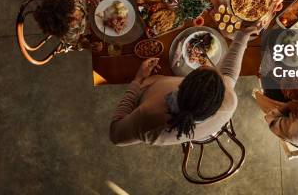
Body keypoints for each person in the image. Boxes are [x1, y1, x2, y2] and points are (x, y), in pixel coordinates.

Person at [109, 25, 263, 146]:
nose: (207, 64)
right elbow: (229, 73)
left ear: (181, 85)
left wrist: (138, 80)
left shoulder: (148, 120)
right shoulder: (229, 101)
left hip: (141, 94)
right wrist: (242, 37)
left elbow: (115, 134)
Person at [33, 0, 102, 52]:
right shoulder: (68, 34)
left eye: (73, 10)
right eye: (71, 21)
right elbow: (78, 42)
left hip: (95, 5)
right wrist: (88, 45)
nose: (77, 16)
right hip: (96, 28)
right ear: (65, 27)